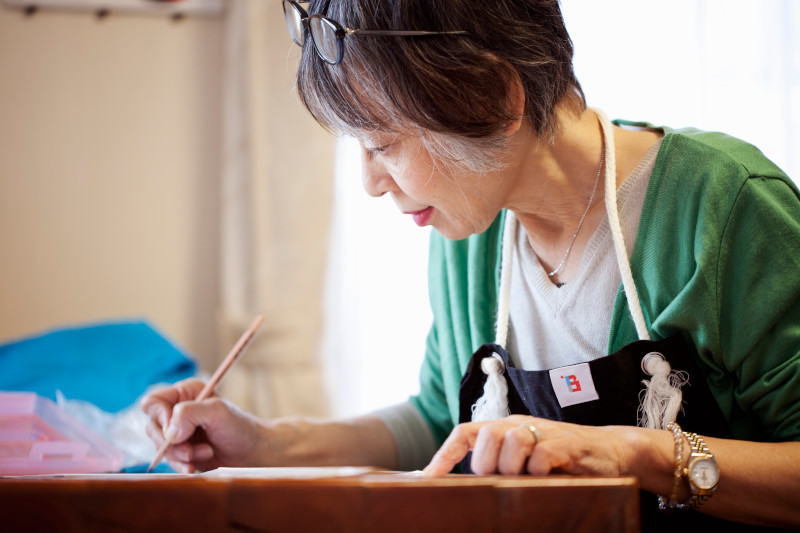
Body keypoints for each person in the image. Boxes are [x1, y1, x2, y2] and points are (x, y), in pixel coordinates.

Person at [142, 1, 800, 530]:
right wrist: (264, 443)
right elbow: (437, 422)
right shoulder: (471, 228)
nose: (372, 182)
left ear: (493, 97)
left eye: (384, 144)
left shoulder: (722, 208)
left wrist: (637, 454)